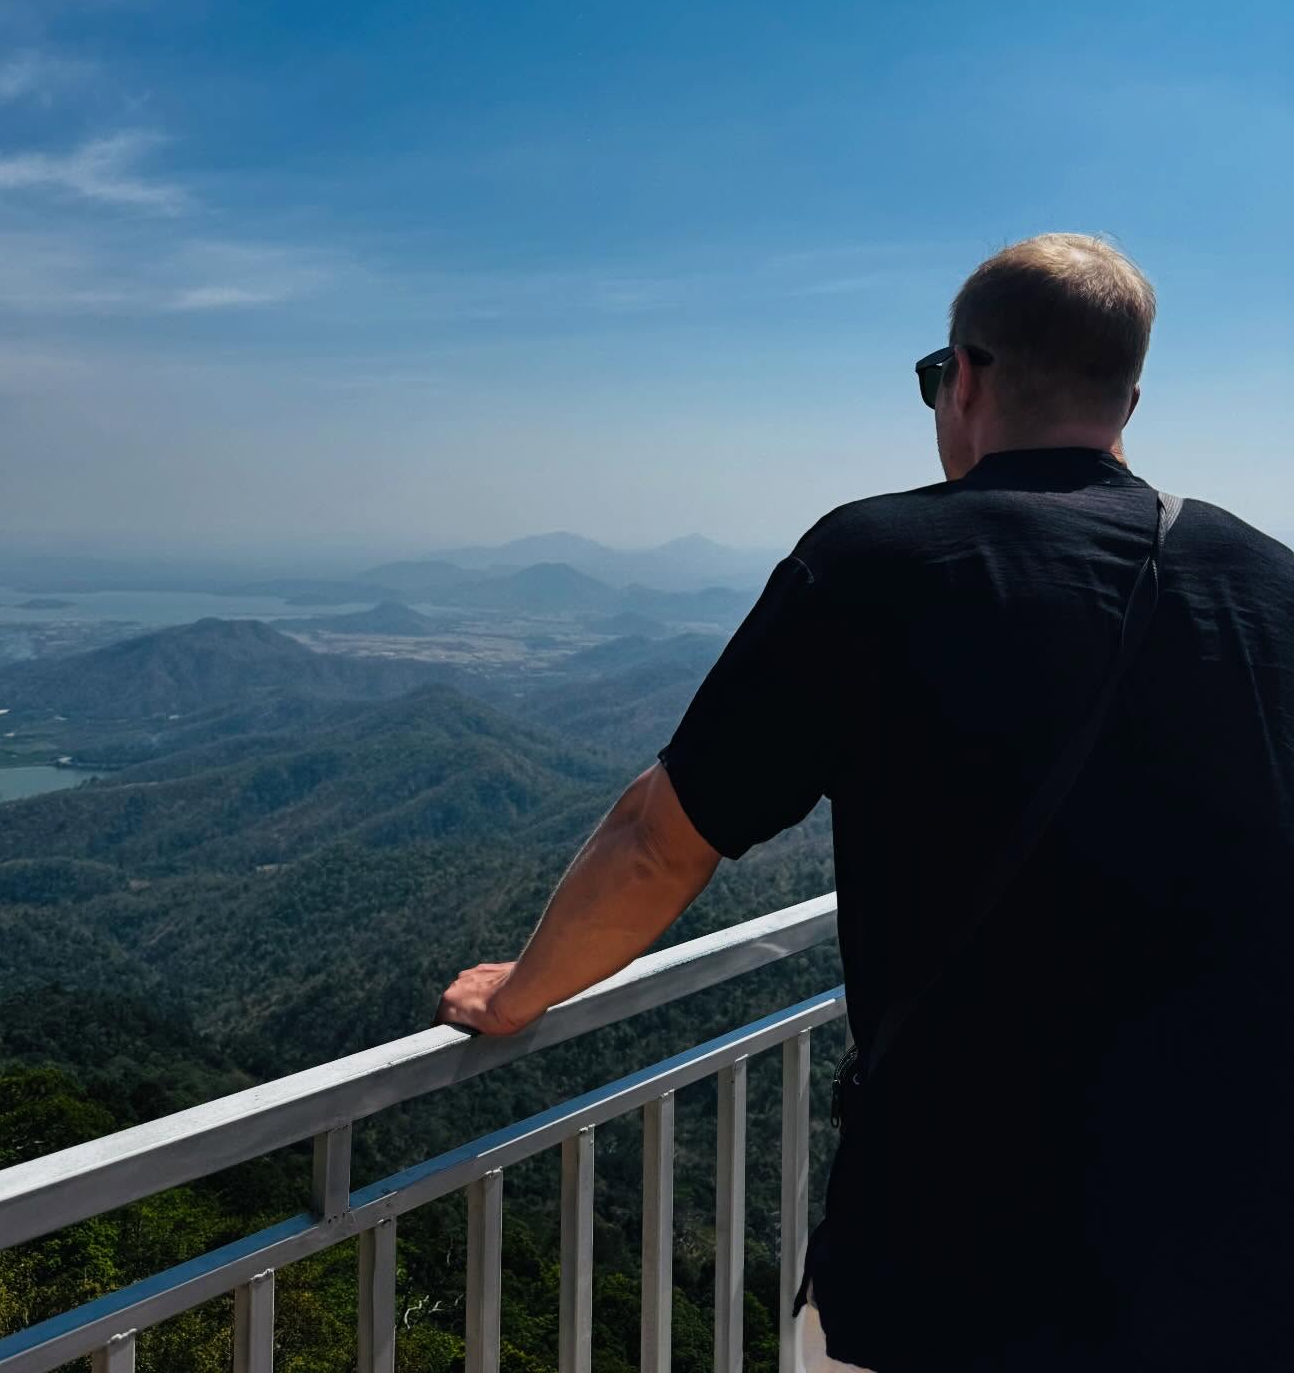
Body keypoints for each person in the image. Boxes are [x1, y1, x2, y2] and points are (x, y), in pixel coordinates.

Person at [436, 232, 1294, 1371]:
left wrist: (519, 993)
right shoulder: (1272, 585)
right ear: (1128, 400)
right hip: (1235, 1263)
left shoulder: (878, 562)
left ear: (965, 377)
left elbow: (660, 840)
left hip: (953, 1258)